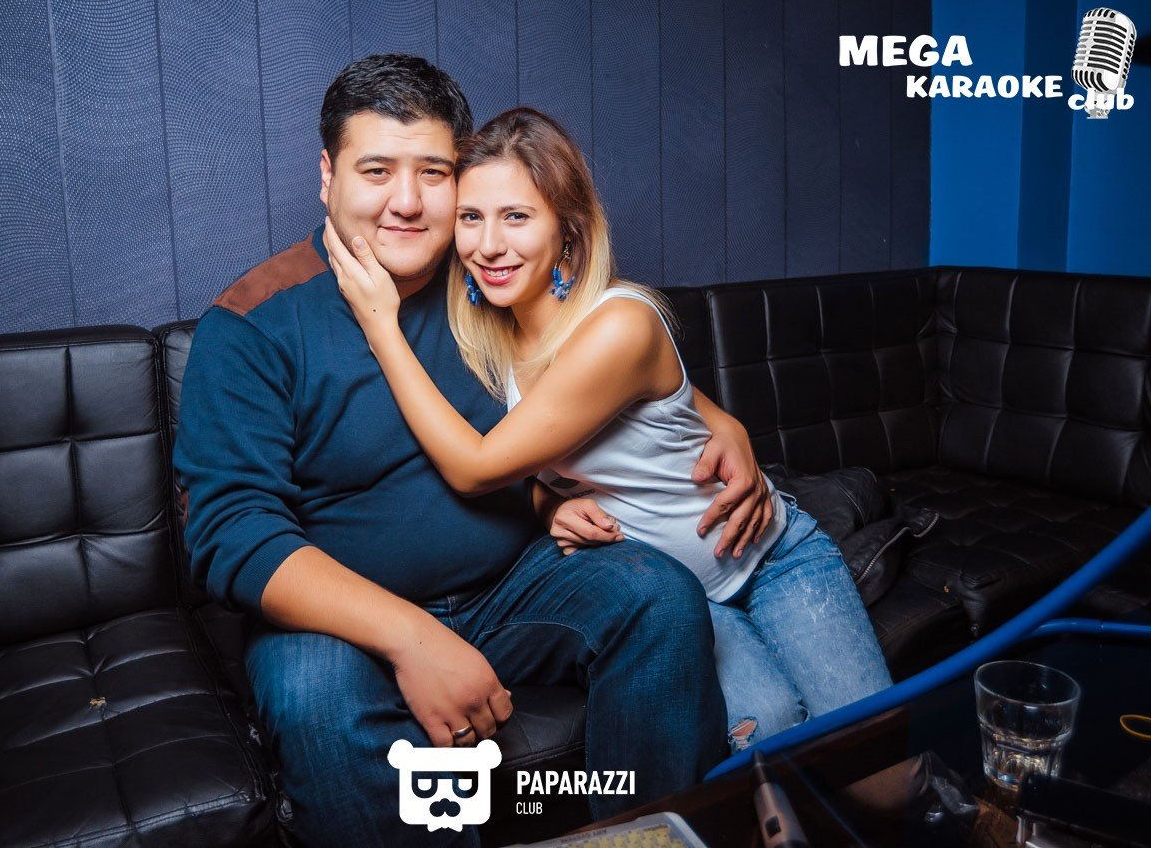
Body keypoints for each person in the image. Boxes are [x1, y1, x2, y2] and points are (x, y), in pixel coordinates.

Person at [175, 55, 774, 846]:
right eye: (377, 170)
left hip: (508, 586)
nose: (407, 201)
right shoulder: (252, 322)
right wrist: (413, 637)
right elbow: (231, 534)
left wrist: (712, 419)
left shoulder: (487, 279)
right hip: (342, 622)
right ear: (326, 175)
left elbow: (604, 359)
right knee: (312, 695)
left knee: (656, 594)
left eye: (433, 172)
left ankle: (642, 837)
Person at [326, 106, 894, 758]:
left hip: (771, 559)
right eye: (471, 217)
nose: (489, 245)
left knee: (873, 761)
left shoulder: (620, 324)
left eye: (517, 217)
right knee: (770, 739)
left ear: (567, 229)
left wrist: (382, 326)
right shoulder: (482, 336)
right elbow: (663, 408)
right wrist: (550, 502)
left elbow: (476, 468)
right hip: (681, 600)